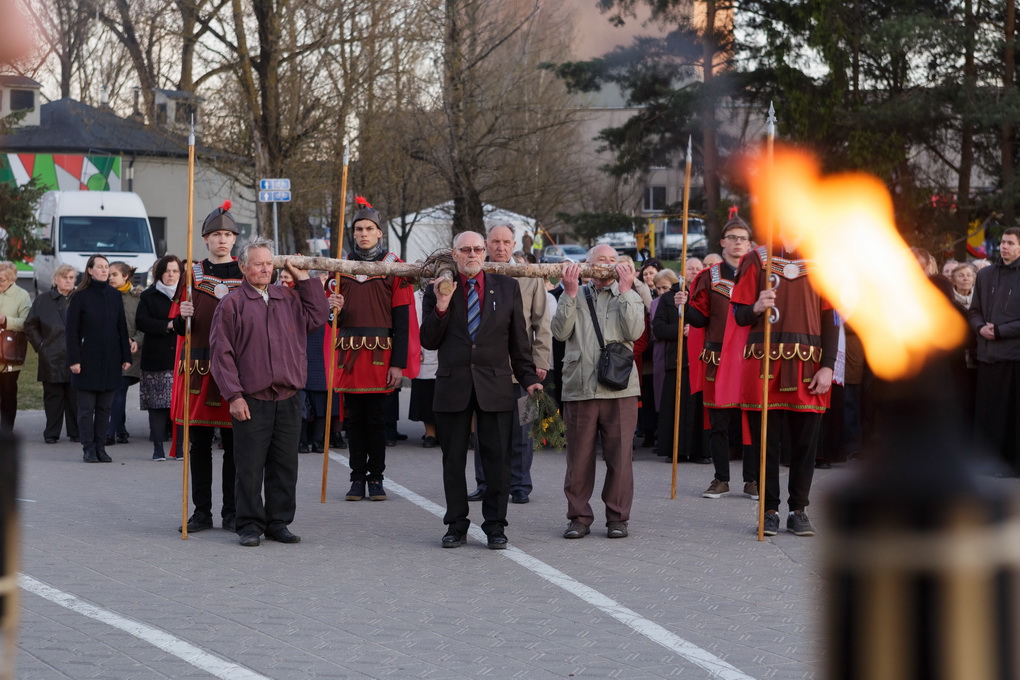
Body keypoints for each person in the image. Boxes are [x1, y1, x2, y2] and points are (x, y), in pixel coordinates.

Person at [420, 230, 542, 550]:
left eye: (477, 249)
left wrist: (529, 377)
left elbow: (519, 342)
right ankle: (456, 524)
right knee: (453, 460)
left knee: (497, 460)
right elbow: (428, 340)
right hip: (452, 385)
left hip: (495, 385)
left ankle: (495, 526)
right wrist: (443, 306)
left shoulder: (507, 287)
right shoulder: (438, 289)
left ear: (485, 252)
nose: (472, 254)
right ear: (454, 253)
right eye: (465, 249)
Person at [210, 238, 329, 547]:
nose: (265, 269)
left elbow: (317, 317)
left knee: (285, 463)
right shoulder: (232, 304)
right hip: (251, 398)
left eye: (269, 263)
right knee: (249, 465)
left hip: (288, 395)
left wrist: (303, 279)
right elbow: (221, 354)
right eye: (258, 263)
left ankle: (279, 521)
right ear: (243, 266)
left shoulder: (287, 298)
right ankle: (249, 524)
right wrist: (234, 396)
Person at [728, 236, 837, 537]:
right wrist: (756, 306)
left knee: (805, 445)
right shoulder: (756, 259)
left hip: (809, 363)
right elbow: (739, 315)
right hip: (763, 364)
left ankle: (798, 510)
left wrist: (828, 365)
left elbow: (831, 319)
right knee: (766, 443)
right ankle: (769, 510)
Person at [552, 245, 644, 539]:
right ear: (587, 265)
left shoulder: (629, 294)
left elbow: (635, 332)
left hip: (620, 388)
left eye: (612, 260)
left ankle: (618, 518)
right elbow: (560, 332)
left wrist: (627, 290)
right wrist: (568, 293)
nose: (606, 265)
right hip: (580, 386)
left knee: (620, 457)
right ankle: (578, 517)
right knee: (578, 458)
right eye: (600, 260)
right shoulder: (574, 293)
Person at [329, 198, 417, 502]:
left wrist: (399, 363)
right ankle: (356, 478)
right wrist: (334, 310)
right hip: (351, 353)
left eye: (369, 228)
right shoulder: (340, 267)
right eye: (358, 229)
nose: (363, 233)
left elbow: (402, 319)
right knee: (353, 420)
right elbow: (331, 321)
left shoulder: (394, 267)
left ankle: (376, 478)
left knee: (377, 420)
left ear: (379, 232)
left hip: (381, 354)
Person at [465, 224, 551, 504]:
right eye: (495, 242)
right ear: (486, 244)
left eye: (506, 242)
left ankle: (519, 484)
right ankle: (484, 482)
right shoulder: (477, 274)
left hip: (522, 370)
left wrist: (540, 361)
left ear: (515, 244)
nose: (500, 247)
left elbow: (541, 323)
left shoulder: (529, 276)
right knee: (485, 431)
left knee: (522, 431)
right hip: (486, 371)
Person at [172, 201, 243, 532]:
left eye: (228, 234)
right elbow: (173, 325)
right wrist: (181, 316)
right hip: (198, 366)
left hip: (235, 368)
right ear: (205, 239)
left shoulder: (246, 273)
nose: (222, 240)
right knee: (198, 443)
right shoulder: (192, 274)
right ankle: (202, 512)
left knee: (233, 445)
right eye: (216, 234)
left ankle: (232, 511)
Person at [682, 215, 758, 500]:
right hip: (717, 356)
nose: (738, 243)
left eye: (743, 238)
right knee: (719, 422)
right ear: (723, 242)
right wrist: (683, 307)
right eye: (733, 238)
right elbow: (699, 320)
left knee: (752, 421)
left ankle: (752, 480)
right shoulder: (709, 276)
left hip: (752, 356)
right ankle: (721, 479)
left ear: (750, 244)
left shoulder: (761, 273)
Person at [65, 255, 132, 463]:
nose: (104, 271)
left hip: (111, 360)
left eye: (107, 267)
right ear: (90, 271)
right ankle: (88, 447)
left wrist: (125, 356)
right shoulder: (80, 296)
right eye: (100, 267)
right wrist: (74, 360)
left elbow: (122, 327)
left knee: (105, 408)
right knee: (86, 409)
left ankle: (101, 447)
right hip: (86, 360)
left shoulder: (114, 295)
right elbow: (71, 332)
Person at [968, 228, 1020, 475]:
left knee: (1011, 414)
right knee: (988, 414)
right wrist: (980, 328)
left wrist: (999, 330)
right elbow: (974, 310)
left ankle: (1010, 463)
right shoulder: (986, 274)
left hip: (1013, 356)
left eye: (1010, 243)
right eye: (1003, 242)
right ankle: (986, 463)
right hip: (987, 356)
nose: (1004, 246)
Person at [136, 255, 182, 461]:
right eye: (167, 271)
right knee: (157, 405)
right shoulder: (149, 295)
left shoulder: (187, 296)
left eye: (175, 271)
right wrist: (168, 325)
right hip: (156, 358)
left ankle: (179, 447)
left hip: (181, 359)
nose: (171, 275)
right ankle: (158, 448)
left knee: (180, 404)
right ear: (159, 273)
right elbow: (141, 322)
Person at [25, 264, 78, 443]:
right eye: (65, 277)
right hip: (51, 356)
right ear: (55, 280)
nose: (68, 281)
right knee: (53, 398)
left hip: (76, 356)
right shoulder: (43, 300)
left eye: (71, 278)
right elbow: (30, 324)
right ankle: (52, 433)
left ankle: (76, 431)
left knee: (74, 397)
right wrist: (40, 346)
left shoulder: (80, 298)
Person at [106, 261, 142, 446]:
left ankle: (110, 432)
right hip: (110, 350)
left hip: (131, 351)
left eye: (114, 274)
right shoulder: (105, 295)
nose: (110, 277)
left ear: (125, 276)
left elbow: (143, 324)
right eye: (109, 274)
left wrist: (136, 340)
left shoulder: (137, 297)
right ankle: (120, 430)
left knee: (120, 387)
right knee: (115, 389)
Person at [0, 261, 29, 434]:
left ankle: (6, 430)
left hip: (9, 352)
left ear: (12, 279)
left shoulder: (22, 295)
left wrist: (6, 321)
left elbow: (27, 322)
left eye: (2, 280)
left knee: (8, 392)